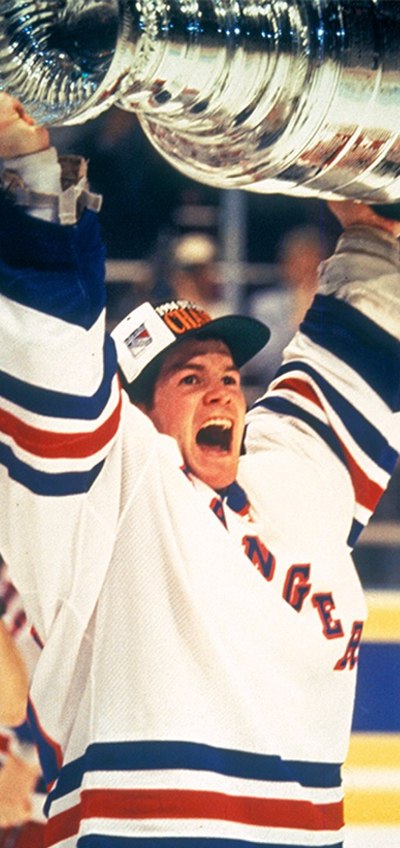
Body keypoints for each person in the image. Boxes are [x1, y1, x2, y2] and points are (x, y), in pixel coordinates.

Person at [0, 93, 400, 848]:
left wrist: (374, 215)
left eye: (227, 373)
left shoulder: (291, 487)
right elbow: (58, 377)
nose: (222, 388)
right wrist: (30, 174)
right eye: (188, 378)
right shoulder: (116, 493)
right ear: (137, 413)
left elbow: (363, 350)